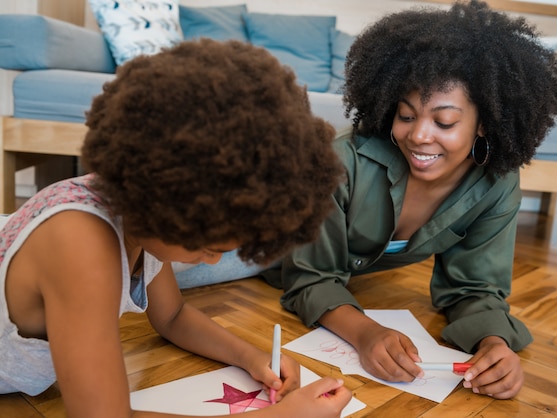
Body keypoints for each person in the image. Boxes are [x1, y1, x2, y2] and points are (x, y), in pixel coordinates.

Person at [0, 39, 351, 417]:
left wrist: (253, 357)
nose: (214, 262)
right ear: (166, 208)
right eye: (206, 247)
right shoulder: (80, 241)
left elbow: (172, 316)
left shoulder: (142, 218)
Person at [265, 0, 557, 400]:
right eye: (406, 116)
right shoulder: (343, 163)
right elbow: (311, 276)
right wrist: (365, 331)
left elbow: (474, 288)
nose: (419, 135)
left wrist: (493, 343)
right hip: (243, 246)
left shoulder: (495, 185)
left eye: (444, 122)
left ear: (485, 124)